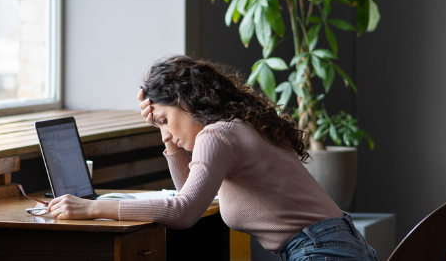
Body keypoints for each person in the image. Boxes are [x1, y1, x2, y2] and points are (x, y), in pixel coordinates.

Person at [45, 55, 377, 261]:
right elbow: (191, 194)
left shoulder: (218, 135)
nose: (167, 132)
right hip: (334, 245)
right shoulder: (235, 127)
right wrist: (164, 133)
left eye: (164, 120)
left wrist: (93, 207)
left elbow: (184, 211)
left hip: (323, 252)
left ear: (183, 100)